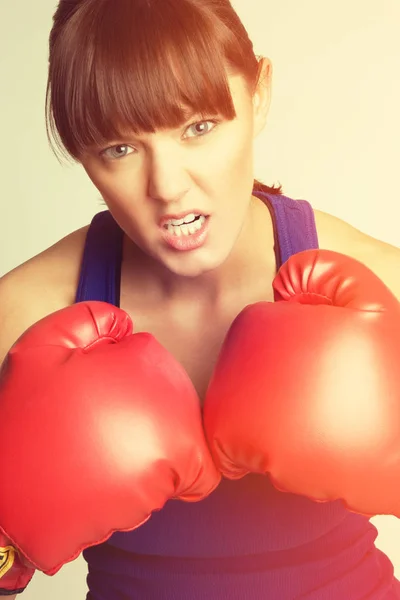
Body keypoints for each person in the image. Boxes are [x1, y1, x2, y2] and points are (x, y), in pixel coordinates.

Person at [0, 0, 400, 598]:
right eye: (119, 148)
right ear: (83, 155)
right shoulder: (25, 316)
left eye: (199, 127)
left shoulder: (379, 282)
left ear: (259, 93)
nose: (168, 186)